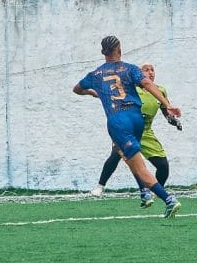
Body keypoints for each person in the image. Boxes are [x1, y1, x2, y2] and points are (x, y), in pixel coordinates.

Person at [74, 36, 183, 218]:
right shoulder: (130, 68)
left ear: (103, 52)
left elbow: (76, 89)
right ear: (120, 50)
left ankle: (168, 199)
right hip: (136, 117)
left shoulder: (95, 74)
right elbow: (147, 83)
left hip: (118, 121)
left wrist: (94, 93)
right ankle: (143, 192)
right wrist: (167, 104)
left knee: (137, 165)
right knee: (127, 156)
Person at [93, 62, 182, 208]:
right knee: (116, 156)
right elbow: (112, 95)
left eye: (152, 70)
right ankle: (100, 185)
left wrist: (174, 121)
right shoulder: (131, 89)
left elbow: (167, 113)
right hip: (128, 129)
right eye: (146, 70)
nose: (150, 72)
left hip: (146, 131)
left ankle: (153, 191)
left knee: (163, 166)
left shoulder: (160, 91)